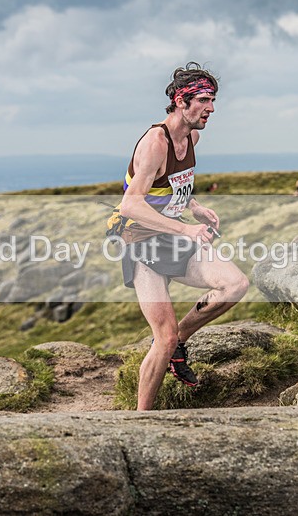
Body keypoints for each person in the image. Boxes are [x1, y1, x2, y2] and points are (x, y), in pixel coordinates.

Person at [111, 62, 249, 410]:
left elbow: (174, 186)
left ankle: (181, 343)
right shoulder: (156, 143)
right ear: (180, 100)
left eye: (213, 99)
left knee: (234, 285)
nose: (212, 108)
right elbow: (130, 205)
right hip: (140, 241)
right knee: (163, 337)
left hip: (170, 236)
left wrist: (196, 206)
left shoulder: (192, 136)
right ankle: (141, 419)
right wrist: (187, 228)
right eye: (204, 99)